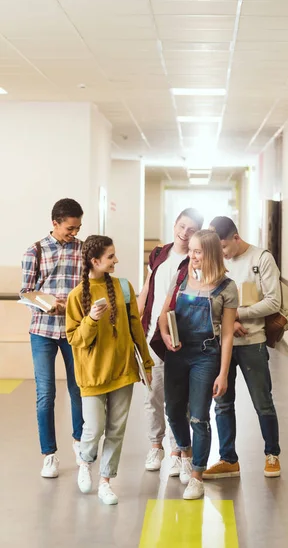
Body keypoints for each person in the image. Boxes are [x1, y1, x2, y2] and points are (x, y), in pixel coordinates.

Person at [66, 235, 153, 505]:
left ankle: (106, 480)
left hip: (123, 371)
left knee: (116, 429)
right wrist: (92, 319)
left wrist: (147, 364)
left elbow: (136, 328)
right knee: (94, 428)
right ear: (95, 261)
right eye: (111, 256)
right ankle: (85, 461)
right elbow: (75, 339)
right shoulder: (76, 296)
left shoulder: (124, 288)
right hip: (92, 375)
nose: (116, 260)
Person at [159, 229, 237, 500]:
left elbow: (227, 335)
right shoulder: (180, 278)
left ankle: (197, 476)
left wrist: (223, 373)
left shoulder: (227, 287)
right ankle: (186, 453)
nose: (191, 255)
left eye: (197, 251)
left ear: (212, 253)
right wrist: (167, 336)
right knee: (173, 411)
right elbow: (163, 315)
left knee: (199, 417)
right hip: (177, 354)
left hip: (206, 355)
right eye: (190, 250)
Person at [204, 216, 282, 480]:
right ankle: (228, 459)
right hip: (223, 343)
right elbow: (209, 298)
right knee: (222, 403)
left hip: (252, 342)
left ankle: (272, 454)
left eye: (224, 248)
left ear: (236, 238)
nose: (222, 254)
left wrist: (238, 316)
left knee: (263, 402)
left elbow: (273, 302)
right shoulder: (217, 260)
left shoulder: (262, 259)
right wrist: (227, 321)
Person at [21, 198, 84, 478]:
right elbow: (26, 292)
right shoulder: (34, 251)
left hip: (74, 331)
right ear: (55, 223)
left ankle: (80, 442)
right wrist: (51, 304)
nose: (74, 233)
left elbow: (89, 288)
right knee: (46, 394)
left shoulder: (83, 250)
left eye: (78, 228)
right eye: (70, 228)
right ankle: (49, 454)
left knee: (79, 389)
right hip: (43, 331)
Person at [138, 208, 204, 476]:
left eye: (191, 230)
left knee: (179, 398)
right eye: (182, 226)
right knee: (152, 394)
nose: (184, 233)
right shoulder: (159, 254)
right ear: (175, 224)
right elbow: (146, 288)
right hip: (153, 334)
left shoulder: (196, 259)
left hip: (181, 337)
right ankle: (156, 445)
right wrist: (136, 323)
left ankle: (178, 450)